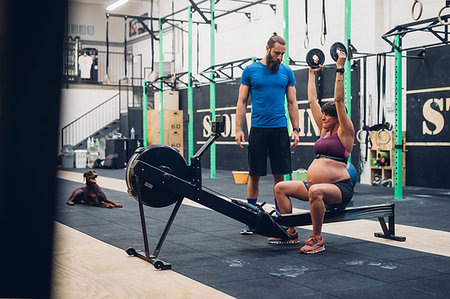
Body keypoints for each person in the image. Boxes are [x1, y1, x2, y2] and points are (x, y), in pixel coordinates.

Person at [267, 51, 355, 254]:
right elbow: (312, 101)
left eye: (327, 115)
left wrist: (340, 68)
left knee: (315, 191)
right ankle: (289, 231)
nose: (323, 118)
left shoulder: (345, 132)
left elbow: (339, 101)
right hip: (315, 185)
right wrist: (312, 74)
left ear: (337, 118)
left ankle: (317, 238)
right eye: (323, 115)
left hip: (339, 188)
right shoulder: (324, 130)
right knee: (280, 187)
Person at [235, 32, 300, 235]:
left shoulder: (287, 72)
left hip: (280, 129)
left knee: (279, 177)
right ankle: (250, 218)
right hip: (258, 129)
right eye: (277, 53)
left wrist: (296, 129)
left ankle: (280, 218)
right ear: (267, 49)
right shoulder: (251, 70)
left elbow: (292, 102)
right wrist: (238, 128)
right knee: (254, 175)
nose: (280, 57)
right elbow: (242, 101)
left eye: (283, 54)